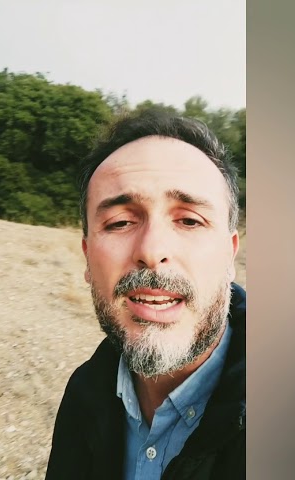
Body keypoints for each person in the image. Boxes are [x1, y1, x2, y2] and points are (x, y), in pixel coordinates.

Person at [45, 110, 246, 480]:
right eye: (120, 222)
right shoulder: (84, 394)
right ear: (87, 257)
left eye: (189, 220)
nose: (152, 251)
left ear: (230, 254)